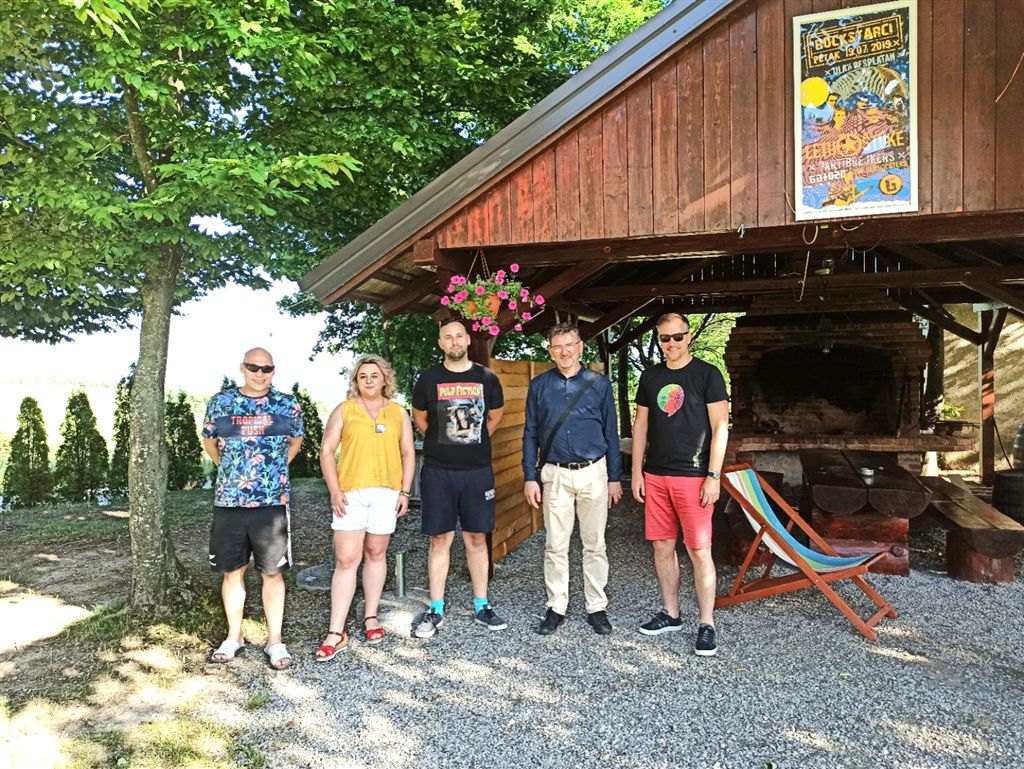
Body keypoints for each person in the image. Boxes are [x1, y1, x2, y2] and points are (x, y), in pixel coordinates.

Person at [631, 313, 729, 656]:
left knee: (699, 550)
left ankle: (706, 623)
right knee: (662, 546)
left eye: (677, 336)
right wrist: (636, 472)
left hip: (694, 475)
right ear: (659, 341)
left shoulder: (708, 374)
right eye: (664, 338)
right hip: (656, 475)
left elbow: (720, 427)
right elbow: (640, 427)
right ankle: (671, 614)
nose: (671, 343)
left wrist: (713, 476)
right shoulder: (651, 376)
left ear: (688, 337)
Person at [202, 347, 304, 669]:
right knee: (232, 572)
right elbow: (209, 442)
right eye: (253, 367)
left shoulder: (287, 404)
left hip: (271, 503)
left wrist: (274, 472)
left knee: (272, 573)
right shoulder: (221, 403)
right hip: (229, 501)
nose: (260, 374)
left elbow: (296, 442)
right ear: (242, 368)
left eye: (266, 368)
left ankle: (275, 641)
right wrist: (229, 470)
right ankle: (234, 636)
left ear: (274, 371)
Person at [523, 322, 623, 636]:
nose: (564, 351)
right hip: (555, 474)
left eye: (570, 345)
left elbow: (611, 433)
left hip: (594, 472)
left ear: (580, 347)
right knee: (555, 545)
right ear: (550, 351)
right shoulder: (539, 386)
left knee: (595, 544)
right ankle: (556, 606)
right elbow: (530, 433)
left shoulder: (599, 384)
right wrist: (529, 476)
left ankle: (597, 607)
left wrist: (615, 478)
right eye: (558, 346)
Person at [315, 355, 416, 661]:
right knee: (347, 559)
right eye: (363, 376)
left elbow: (408, 453)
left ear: (385, 379)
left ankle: (371, 616)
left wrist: (405, 491)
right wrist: (334, 490)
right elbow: (327, 450)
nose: (369, 380)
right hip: (351, 494)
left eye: (374, 375)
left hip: (386, 493)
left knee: (375, 554)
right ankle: (336, 631)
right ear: (356, 381)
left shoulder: (398, 412)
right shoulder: (344, 410)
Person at [411, 318, 506, 638]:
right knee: (440, 539)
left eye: (459, 336)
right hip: (438, 471)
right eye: (447, 337)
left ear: (468, 340)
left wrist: (473, 440)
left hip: (476, 471)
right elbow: (420, 418)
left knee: (476, 538)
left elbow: (495, 416)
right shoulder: (428, 379)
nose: (454, 342)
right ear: (441, 343)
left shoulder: (486, 377)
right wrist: (444, 442)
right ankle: (435, 608)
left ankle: (482, 605)